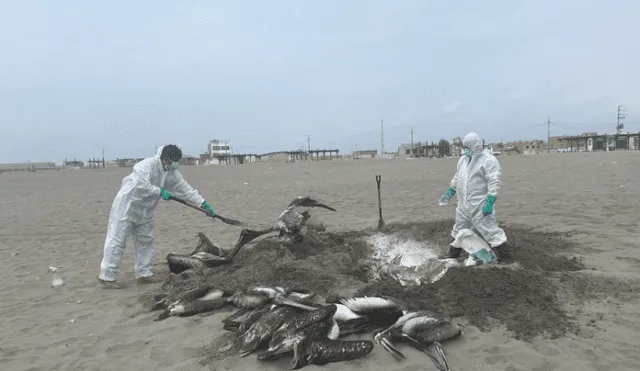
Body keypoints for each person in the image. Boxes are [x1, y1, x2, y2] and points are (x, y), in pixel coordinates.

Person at [98, 144, 216, 289]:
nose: (175, 165)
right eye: (173, 161)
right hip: (127, 207)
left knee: (146, 241)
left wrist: (202, 204)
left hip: (146, 211)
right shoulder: (146, 165)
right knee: (117, 240)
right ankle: (107, 277)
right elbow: (140, 184)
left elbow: (185, 189)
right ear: (166, 159)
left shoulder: (171, 173)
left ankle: (144, 274)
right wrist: (159, 191)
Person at [438, 132, 507, 261]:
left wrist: (490, 202)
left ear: (475, 146)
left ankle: (505, 258)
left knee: (490, 231)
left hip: (480, 205)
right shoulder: (463, 160)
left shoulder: (489, 161)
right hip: (463, 205)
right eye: (464, 147)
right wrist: (449, 193)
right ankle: (453, 254)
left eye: (467, 147)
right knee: (459, 229)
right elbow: (458, 177)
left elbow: (494, 182)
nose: (465, 150)